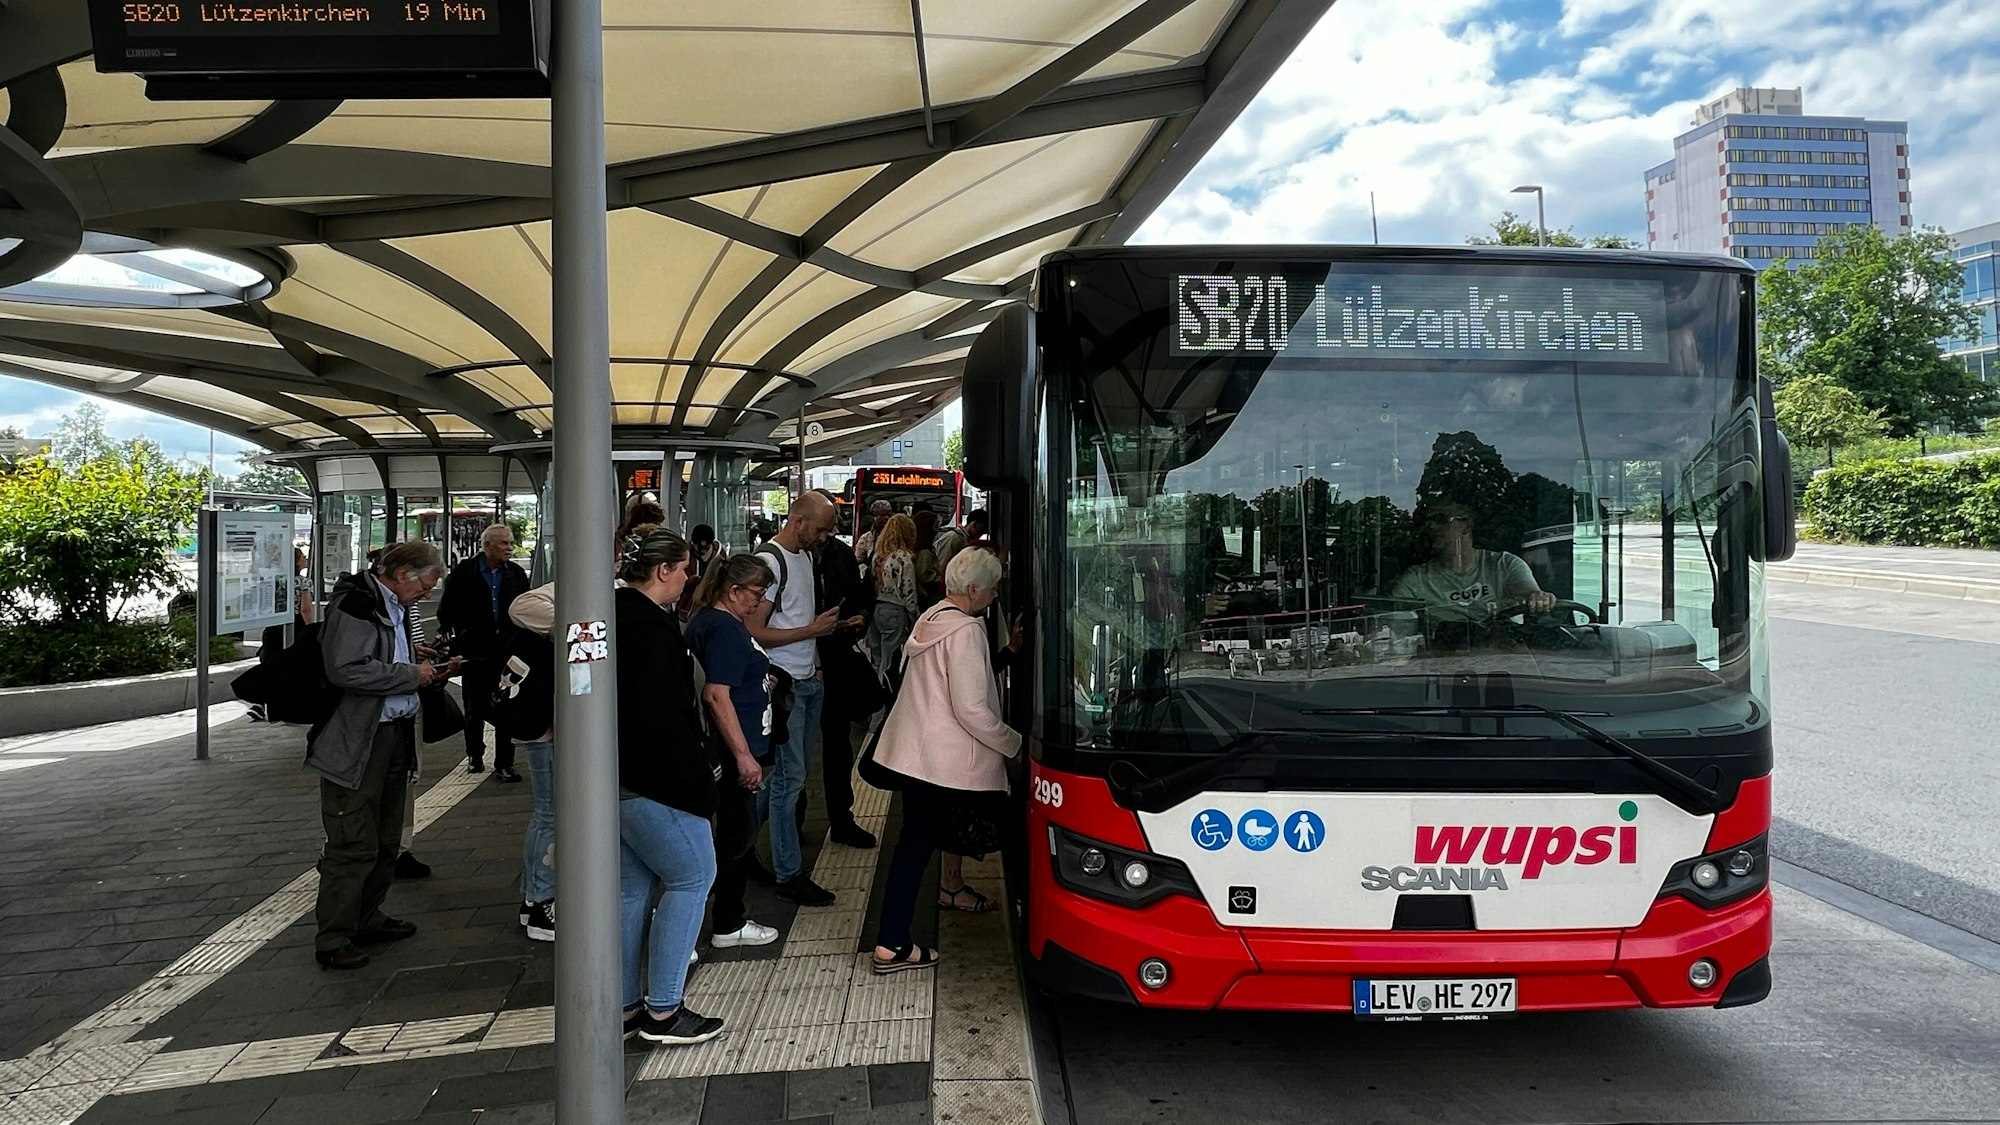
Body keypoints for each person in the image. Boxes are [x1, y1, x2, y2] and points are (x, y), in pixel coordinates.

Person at [870, 548, 1021, 973]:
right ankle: (891, 943)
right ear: (973, 590)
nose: (994, 596)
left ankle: (904, 928)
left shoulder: (932, 618)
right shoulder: (967, 631)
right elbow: (971, 710)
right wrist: (1015, 745)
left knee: (912, 846)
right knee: (920, 847)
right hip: (944, 765)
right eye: (992, 589)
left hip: (916, 758)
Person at [309, 541, 458, 971]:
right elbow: (347, 668)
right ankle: (334, 937)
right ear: (403, 573)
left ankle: (367, 917)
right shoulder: (359, 604)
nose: (427, 593)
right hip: (360, 736)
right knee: (353, 839)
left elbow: (381, 656)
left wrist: (419, 662)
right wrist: (411, 673)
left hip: (394, 731)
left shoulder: (393, 604)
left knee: (388, 836)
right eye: (426, 585)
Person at [614, 525, 725, 1046]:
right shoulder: (653, 630)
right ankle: (664, 1010)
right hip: (656, 781)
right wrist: (700, 782)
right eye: (683, 570)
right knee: (692, 877)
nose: (688, 579)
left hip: (613, 779)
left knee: (631, 889)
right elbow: (663, 717)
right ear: (663, 570)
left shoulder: (609, 614)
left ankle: (624, 1006)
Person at [746, 491, 842, 906]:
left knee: (789, 777)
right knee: (791, 780)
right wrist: (812, 633)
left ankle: (739, 842)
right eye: (820, 529)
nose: (825, 537)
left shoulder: (802, 557)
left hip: (805, 681)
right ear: (798, 521)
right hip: (783, 685)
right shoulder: (771, 562)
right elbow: (754, 630)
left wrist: (815, 667)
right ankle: (789, 873)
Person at [684, 553, 782, 951]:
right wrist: (743, 755)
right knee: (737, 837)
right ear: (734, 590)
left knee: (729, 836)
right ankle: (727, 920)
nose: (761, 601)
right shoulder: (724, 629)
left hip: (727, 744)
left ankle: (710, 916)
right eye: (757, 593)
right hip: (731, 749)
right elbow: (716, 694)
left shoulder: (711, 621)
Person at [437, 524, 531, 781]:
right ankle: (474, 756)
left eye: (510, 543)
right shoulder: (464, 573)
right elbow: (448, 610)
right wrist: (458, 637)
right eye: (504, 543)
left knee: (507, 705)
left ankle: (505, 762)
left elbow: (525, 607)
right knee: (474, 706)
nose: (510, 548)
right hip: (475, 650)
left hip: (508, 650)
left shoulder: (515, 574)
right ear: (487, 546)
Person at [813, 495, 878, 849]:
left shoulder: (839, 555)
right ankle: (791, 820)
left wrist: (861, 618)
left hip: (836, 661)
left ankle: (842, 819)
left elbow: (859, 597)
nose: (828, 534)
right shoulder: (784, 559)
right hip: (799, 665)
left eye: (832, 527)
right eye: (823, 528)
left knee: (838, 748)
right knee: (793, 757)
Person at [1390, 500, 1555, 622]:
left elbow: (1529, 594)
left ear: (1467, 527)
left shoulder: (1504, 564)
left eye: (1441, 520)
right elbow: (1394, 622)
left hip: (1506, 653)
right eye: (1428, 522)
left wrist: (1538, 598)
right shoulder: (1415, 580)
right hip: (1444, 656)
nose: (1431, 527)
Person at [504, 582, 559, 942]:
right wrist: (577, 622)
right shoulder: (572, 587)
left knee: (548, 814)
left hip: (548, 724)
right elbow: (520, 606)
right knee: (549, 814)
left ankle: (533, 897)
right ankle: (541, 903)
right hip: (544, 727)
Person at [870, 514, 920, 685]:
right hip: (895, 609)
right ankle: (885, 691)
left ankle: (874, 689)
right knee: (890, 658)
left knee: (877, 657)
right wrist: (915, 617)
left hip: (876, 607)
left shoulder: (878, 556)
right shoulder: (904, 558)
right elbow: (909, 591)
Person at [677, 524, 722, 621]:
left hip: (712, 606)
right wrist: (690, 581)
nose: (703, 551)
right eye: (699, 548)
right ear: (692, 543)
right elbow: (676, 582)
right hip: (687, 609)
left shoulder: (720, 555)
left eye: (707, 548)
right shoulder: (683, 554)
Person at [932, 508, 987, 574]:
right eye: (981, 530)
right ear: (974, 524)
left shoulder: (965, 540)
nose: (981, 534)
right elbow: (942, 563)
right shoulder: (954, 537)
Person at [911, 507, 943, 609]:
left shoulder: (922, 548)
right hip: (928, 595)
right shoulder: (925, 552)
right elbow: (925, 577)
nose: (938, 530)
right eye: (935, 526)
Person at [854, 499, 893, 566]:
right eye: (883, 515)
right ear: (875, 517)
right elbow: (858, 560)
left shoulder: (896, 537)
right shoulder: (866, 538)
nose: (887, 518)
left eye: (889, 515)